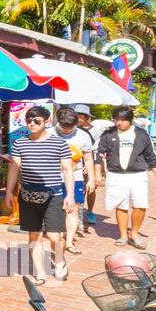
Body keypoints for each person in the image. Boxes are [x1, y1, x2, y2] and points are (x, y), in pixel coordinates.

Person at [5, 106, 76, 284]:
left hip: (53, 195)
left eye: (36, 121)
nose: (32, 124)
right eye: (29, 121)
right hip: (28, 195)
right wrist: (8, 191)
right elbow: (14, 168)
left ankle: (59, 261)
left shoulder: (59, 143)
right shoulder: (20, 143)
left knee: (54, 236)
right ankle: (40, 272)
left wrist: (70, 195)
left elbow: (67, 170)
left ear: (46, 122)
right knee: (34, 236)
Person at [95, 105, 156, 249]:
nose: (119, 123)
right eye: (116, 120)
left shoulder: (141, 134)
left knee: (140, 204)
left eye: (122, 120)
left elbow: (150, 157)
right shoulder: (108, 134)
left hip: (138, 175)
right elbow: (99, 154)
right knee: (121, 205)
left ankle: (134, 233)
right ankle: (123, 235)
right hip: (116, 175)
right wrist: (97, 174)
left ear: (130, 120)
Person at [53, 106, 95, 253]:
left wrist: (91, 179)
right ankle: (57, 235)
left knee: (73, 208)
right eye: (64, 127)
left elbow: (89, 159)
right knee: (55, 208)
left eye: (70, 127)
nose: (66, 130)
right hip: (52, 176)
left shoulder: (83, 136)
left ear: (76, 123)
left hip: (75, 176)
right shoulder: (49, 134)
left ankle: (69, 241)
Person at [74, 104, 105, 232]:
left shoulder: (96, 132)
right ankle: (77, 219)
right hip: (75, 164)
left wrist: (93, 167)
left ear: (86, 117)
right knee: (78, 192)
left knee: (90, 190)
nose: (77, 119)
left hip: (90, 163)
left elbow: (98, 151)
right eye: (76, 116)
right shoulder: (72, 129)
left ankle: (90, 211)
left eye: (80, 116)